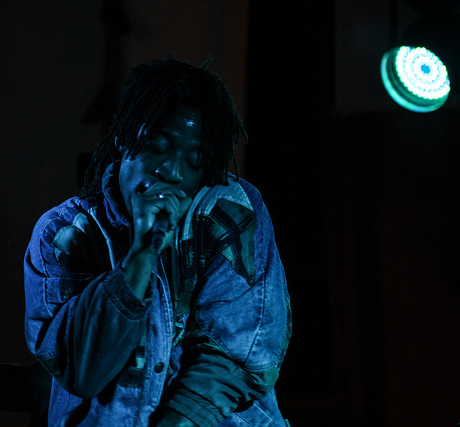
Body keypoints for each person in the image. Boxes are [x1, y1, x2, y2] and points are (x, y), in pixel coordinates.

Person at [23, 57, 292, 426]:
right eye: (158, 146)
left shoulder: (230, 212)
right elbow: (82, 372)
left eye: (194, 160)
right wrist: (140, 255)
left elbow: (242, 354)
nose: (173, 171)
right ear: (123, 137)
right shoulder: (63, 233)